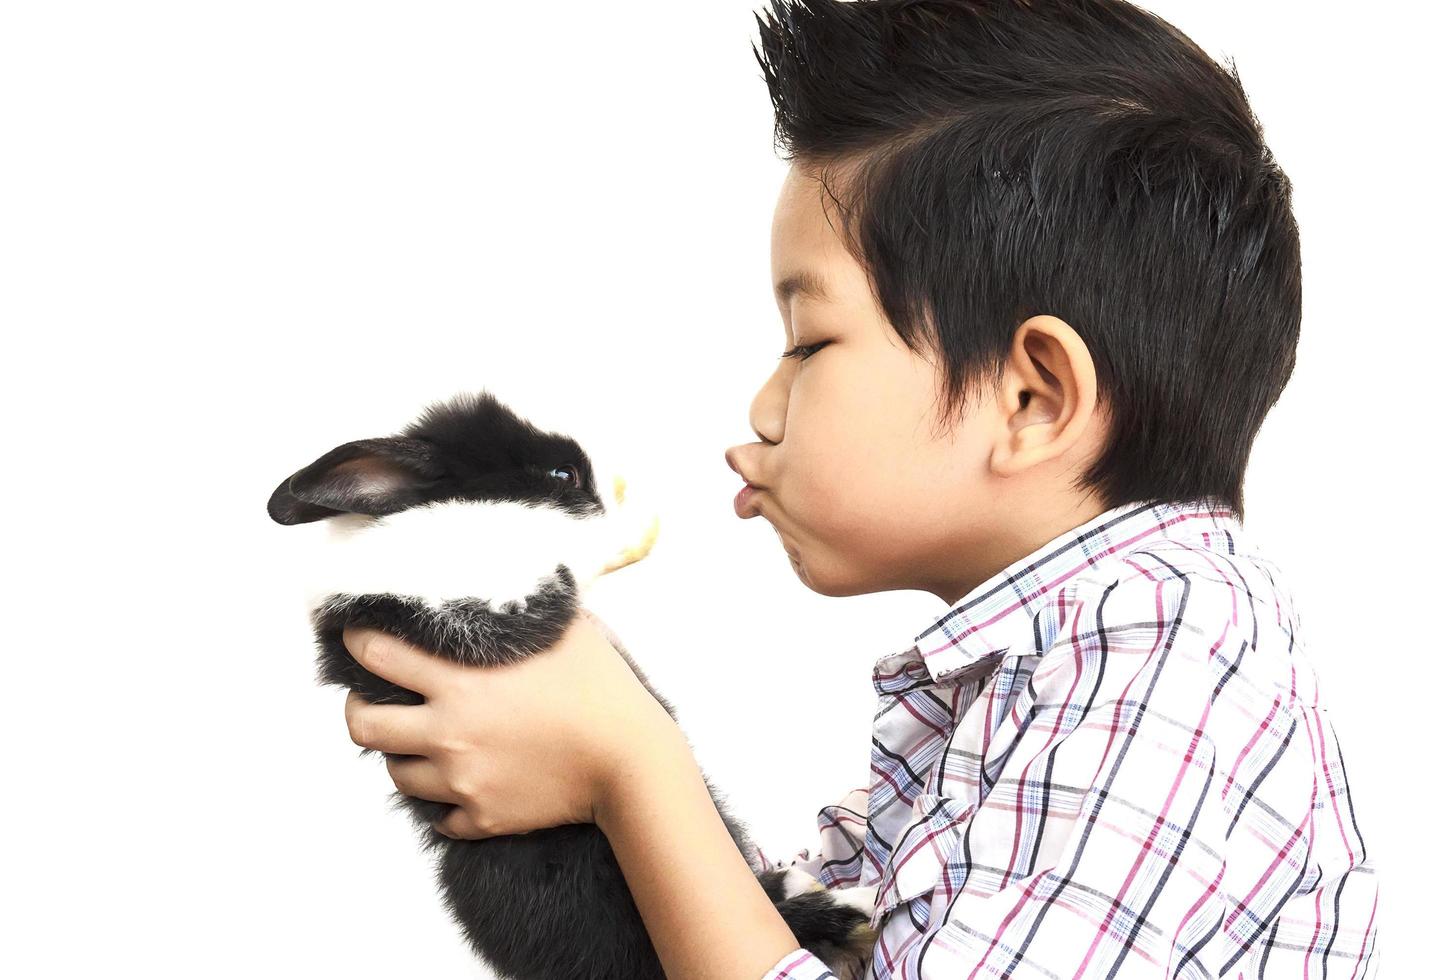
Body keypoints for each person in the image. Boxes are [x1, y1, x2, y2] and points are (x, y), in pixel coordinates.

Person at [338, 0, 1379, 976]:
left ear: (1031, 396)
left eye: (809, 343)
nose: (763, 403)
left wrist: (628, 763)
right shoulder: (1017, 685)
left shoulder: (1173, 657)